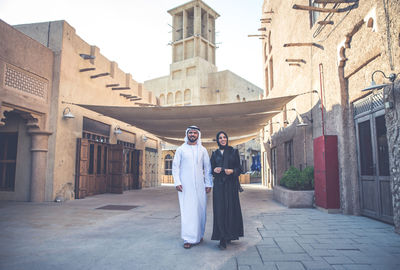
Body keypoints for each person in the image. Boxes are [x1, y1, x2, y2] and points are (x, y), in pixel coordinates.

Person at [172, 126, 213, 249]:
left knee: (200, 210)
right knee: (188, 211)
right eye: (190, 133)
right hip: (185, 186)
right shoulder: (181, 149)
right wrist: (177, 182)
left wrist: (208, 183)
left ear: (198, 135)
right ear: (187, 134)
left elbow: (208, 167)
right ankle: (188, 238)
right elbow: (175, 167)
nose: (193, 135)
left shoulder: (203, 150)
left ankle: (199, 235)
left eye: (195, 133)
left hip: (200, 185)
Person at [210, 131, 244, 250]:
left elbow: (240, 168)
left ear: (227, 139)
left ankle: (230, 234)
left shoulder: (233, 151)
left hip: (231, 185)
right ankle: (222, 238)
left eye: (224, 137)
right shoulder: (214, 154)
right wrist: (216, 169)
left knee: (231, 209)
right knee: (220, 210)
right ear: (217, 140)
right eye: (220, 138)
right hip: (219, 185)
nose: (223, 139)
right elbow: (211, 169)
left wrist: (232, 171)